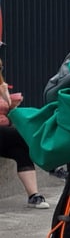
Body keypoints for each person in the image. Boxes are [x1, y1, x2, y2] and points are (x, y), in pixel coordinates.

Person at [0, 62, 49, 209]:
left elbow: (8, 110)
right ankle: (50, 165)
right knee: (22, 135)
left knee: (21, 152)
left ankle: (34, 196)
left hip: (4, 133)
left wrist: (9, 100)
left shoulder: (2, 86)